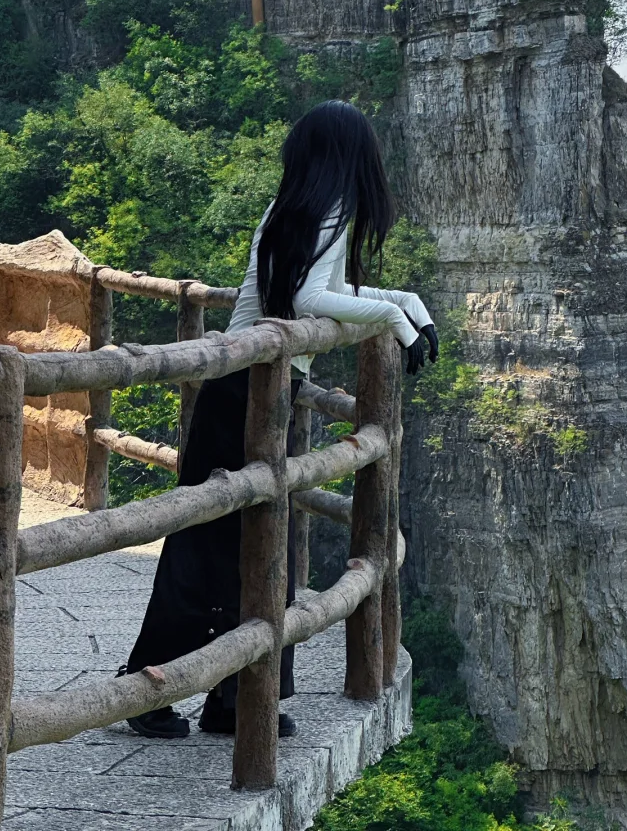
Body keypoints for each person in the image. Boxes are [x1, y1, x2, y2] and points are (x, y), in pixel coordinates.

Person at [119, 101, 438, 740]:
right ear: (352, 155)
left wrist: (409, 305)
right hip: (248, 395)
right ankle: (153, 692)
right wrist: (400, 323)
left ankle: (232, 699)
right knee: (223, 546)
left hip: (246, 394)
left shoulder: (297, 207)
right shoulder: (329, 211)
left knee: (243, 545)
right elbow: (306, 302)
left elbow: (326, 294)